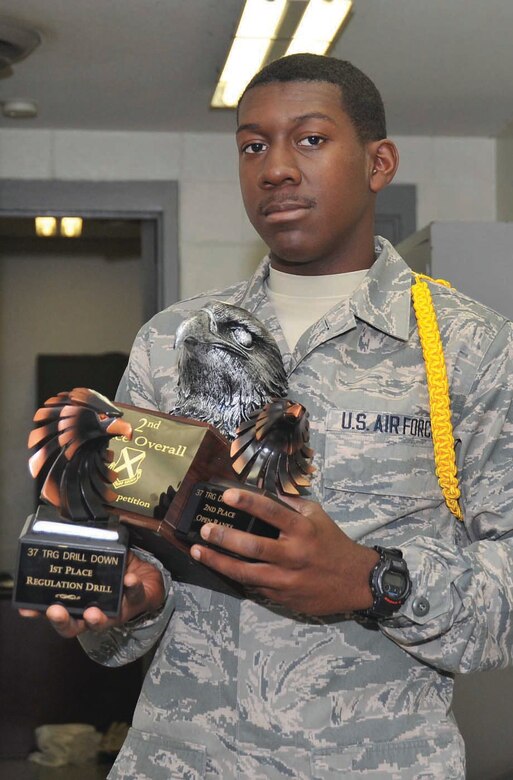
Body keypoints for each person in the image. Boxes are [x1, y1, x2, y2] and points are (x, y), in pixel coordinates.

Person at [21, 53, 513, 778]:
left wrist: (370, 580)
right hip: (178, 758)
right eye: (253, 146)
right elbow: (129, 565)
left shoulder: (470, 347)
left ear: (378, 163)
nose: (275, 168)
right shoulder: (173, 340)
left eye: (310, 139)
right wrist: (129, 598)